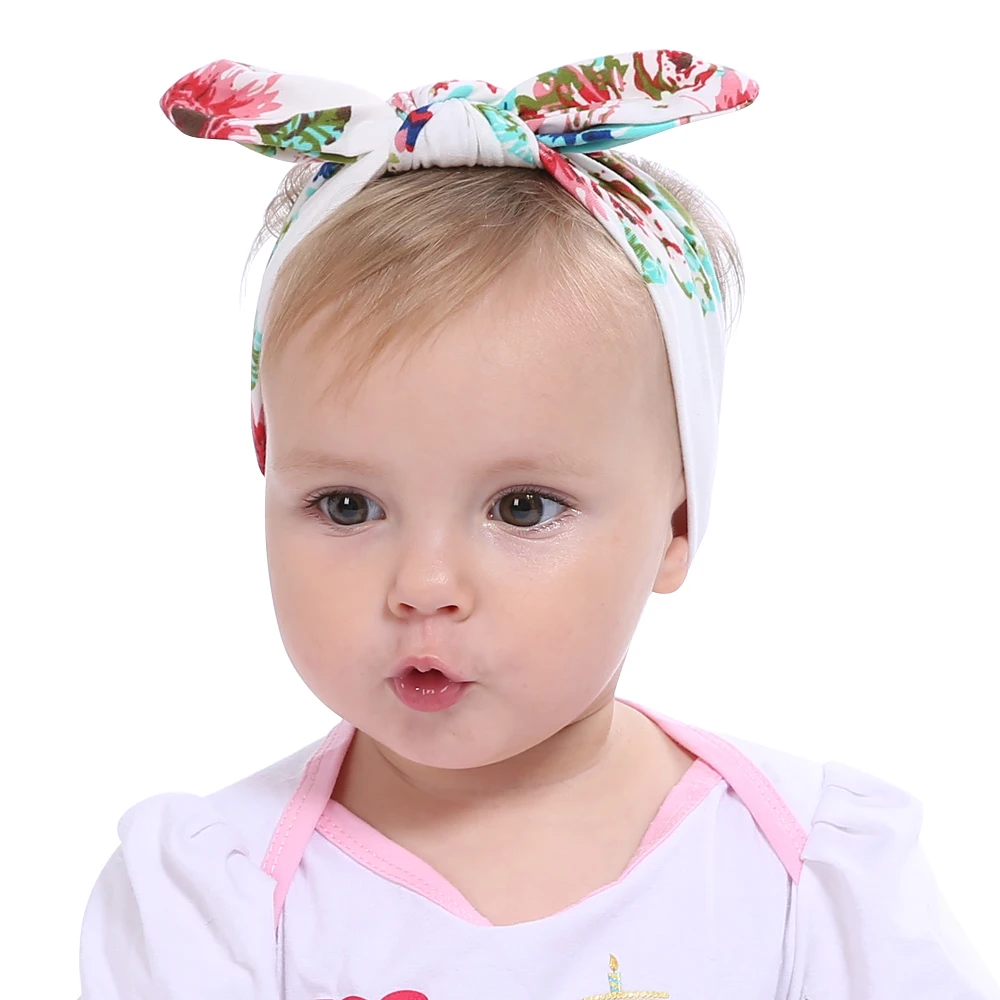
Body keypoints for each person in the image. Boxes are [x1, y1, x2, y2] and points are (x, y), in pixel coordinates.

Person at [78, 50, 998, 999]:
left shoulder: (807, 877)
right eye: (348, 505)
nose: (425, 585)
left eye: (522, 508)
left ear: (678, 520)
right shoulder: (219, 900)